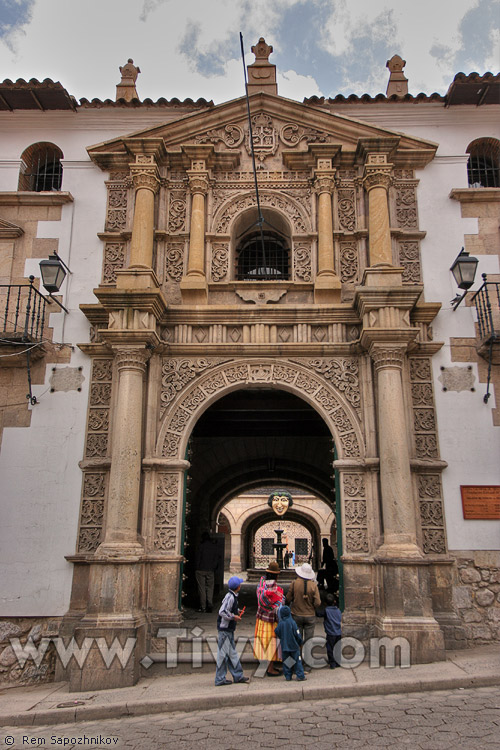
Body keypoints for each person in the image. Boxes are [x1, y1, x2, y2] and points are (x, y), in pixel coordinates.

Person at [215, 576, 250, 686]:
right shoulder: (230, 597)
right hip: (225, 629)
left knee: (232, 654)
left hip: (228, 629)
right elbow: (222, 611)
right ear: (238, 587)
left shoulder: (232, 596)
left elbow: (228, 609)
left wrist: (237, 611)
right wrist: (233, 617)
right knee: (224, 655)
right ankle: (220, 678)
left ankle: (238, 675)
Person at [285, 562, 321, 671]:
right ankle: (308, 665)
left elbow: (288, 598)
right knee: (309, 641)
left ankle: (297, 664)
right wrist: (312, 607)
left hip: (296, 615)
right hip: (310, 616)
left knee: (297, 641)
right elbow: (318, 602)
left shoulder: (294, 583)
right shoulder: (314, 585)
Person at [253, 560, 284, 676]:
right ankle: (270, 668)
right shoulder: (275, 587)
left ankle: (264, 663)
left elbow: (260, 598)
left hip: (261, 618)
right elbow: (279, 603)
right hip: (271, 620)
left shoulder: (261, 583)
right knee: (271, 643)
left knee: (263, 641)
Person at [274, 605, 306, 681]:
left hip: (285, 646)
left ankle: (288, 676)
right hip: (294, 646)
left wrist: (282, 637)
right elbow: (297, 634)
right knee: (297, 661)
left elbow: (277, 631)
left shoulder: (281, 623)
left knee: (287, 661)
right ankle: (300, 675)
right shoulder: (292, 622)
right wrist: (300, 642)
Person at [195, 531, 220, 612]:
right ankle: (210, 604)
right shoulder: (214, 547)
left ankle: (203, 607)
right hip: (210, 570)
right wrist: (213, 568)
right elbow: (216, 559)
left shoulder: (201, 546)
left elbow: (198, 558)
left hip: (201, 570)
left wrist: (197, 567)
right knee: (210, 588)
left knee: (202, 588)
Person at [321, 593, 342, 668]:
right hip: (338, 632)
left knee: (330, 648)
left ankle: (332, 663)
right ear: (335, 602)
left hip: (330, 633)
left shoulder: (326, 611)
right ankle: (338, 662)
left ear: (325, 603)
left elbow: (318, 613)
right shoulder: (338, 610)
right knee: (338, 648)